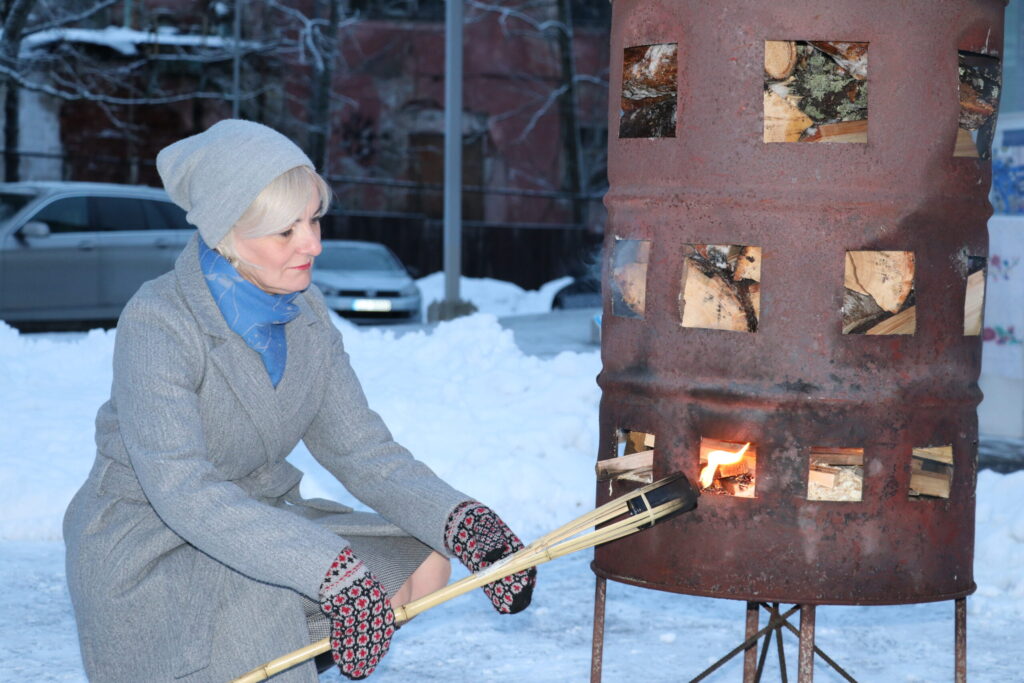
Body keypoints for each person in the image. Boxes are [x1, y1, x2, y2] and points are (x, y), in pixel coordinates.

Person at [63, 119, 535, 682]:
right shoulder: (159, 320)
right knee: (267, 597)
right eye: (286, 232)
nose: (312, 244)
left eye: (312, 220)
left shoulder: (305, 314)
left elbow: (362, 451)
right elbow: (181, 489)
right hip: (149, 539)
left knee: (424, 558)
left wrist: (461, 522)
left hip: (253, 517)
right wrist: (326, 570)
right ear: (225, 233)